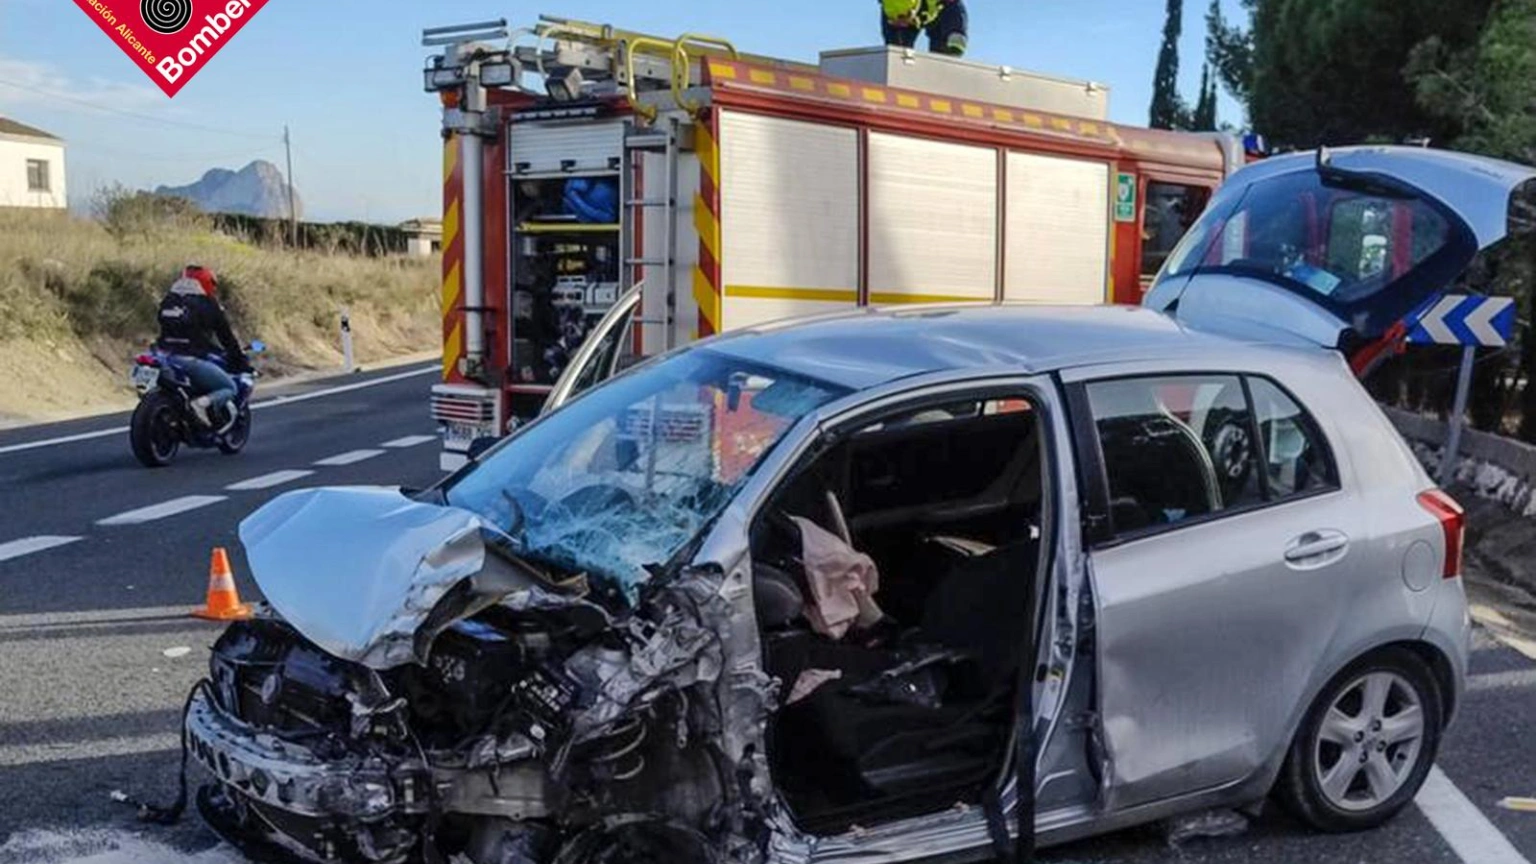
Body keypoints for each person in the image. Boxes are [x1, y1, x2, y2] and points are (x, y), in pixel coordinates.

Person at [154, 264, 250, 432]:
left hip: (162, 355)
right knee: (229, 388)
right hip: (190, 360)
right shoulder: (208, 304)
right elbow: (226, 338)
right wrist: (240, 362)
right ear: (207, 283)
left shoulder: (168, 300)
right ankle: (201, 404)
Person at [880, 0, 968, 57]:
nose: (902, 21)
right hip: (911, 14)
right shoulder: (892, 13)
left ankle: (947, 56)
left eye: (903, 17)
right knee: (897, 54)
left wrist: (956, 36)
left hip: (939, 10)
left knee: (947, 48)